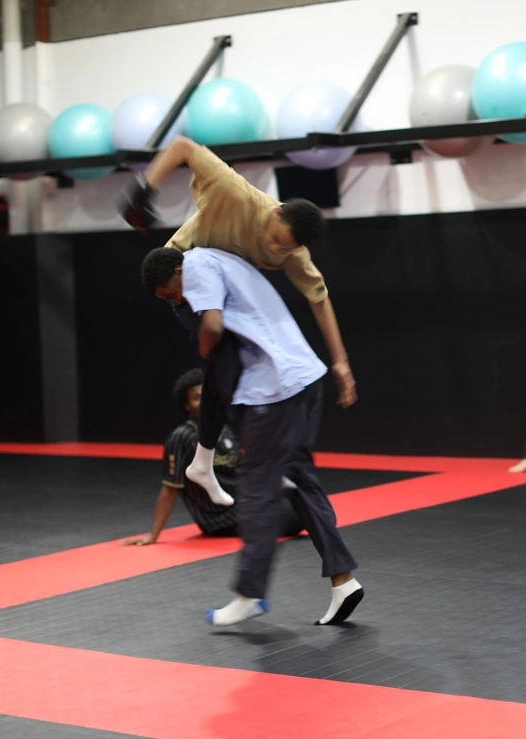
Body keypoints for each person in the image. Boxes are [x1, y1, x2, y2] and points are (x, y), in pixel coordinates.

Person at [119, 138, 357, 508]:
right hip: (184, 281)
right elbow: (182, 146)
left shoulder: (293, 252)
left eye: (285, 249)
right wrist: (143, 189)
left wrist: (340, 361)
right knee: (227, 357)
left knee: (257, 365)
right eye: (276, 240)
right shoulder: (234, 192)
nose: (275, 250)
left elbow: (319, 297)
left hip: (229, 297)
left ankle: (216, 460)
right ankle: (231, 459)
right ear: (276, 213)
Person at [142, 246, 362, 626]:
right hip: (303, 378)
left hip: (272, 389)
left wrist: (203, 343)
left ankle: (251, 592)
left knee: (258, 488)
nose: (176, 302)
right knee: (300, 482)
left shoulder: (196, 264)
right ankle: (343, 580)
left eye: (172, 293)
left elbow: (212, 327)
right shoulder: (221, 259)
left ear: (178, 270)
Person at [122, 369, 303, 545]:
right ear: (186, 405)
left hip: (246, 502)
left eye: (207, 397)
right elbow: (170, 488)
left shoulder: (224, 429)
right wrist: (153, 535)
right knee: (298, 514)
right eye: (196, 398)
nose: (204, 403)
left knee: (304, 499)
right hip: (220, 518)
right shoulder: (181, 437)